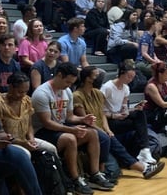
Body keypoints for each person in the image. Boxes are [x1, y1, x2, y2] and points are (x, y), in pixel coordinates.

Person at [32, 62, 115, 193]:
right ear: (59, 75)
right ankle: (75, 179)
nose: (69, 86)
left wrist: (83, 119)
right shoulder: (41, 93)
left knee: (92, 133)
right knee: (70, 139)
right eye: (67, 82)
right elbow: (47, 123)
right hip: (42, 131)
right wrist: (72, 129)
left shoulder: (67, 91)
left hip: (60, 127)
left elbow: (69, 117)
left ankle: (95, 174)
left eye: (71, 83)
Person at [73, 66, 165, 180]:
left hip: (104, 126)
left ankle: (144, 154)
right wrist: (105, 130)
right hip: (91, 129)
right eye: (96, 76)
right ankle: (143, 168)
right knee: (114, 149)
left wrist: (107, 129)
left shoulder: (97, 93)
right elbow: (86, 120)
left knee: (138, 115)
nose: (100, 78)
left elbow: (101, 114)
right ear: (87, 78)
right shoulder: (77, 96)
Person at [101, 60, 159, 161]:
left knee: (140, 114)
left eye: (132, 77)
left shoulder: (126, 88)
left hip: (119, 117)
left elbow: (124, 108)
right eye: (129, 77)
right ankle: (143, 151)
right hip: (109, 120)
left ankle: (145, 150)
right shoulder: (107, 87)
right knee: (140, 124)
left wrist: (132, 110)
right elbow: (99, 111)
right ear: (121, 73)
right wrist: (114, 116)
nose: (130, 80)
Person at [0, 72, 57, 158]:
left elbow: (29, 124)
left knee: (51, 149)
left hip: (25, 139)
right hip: (8, 143)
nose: (23, 95)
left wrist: (31, 139)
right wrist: (22, 143)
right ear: (10, 87)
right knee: (26, 154)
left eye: (26, 91)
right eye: (20, 92)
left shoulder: (27, 100)